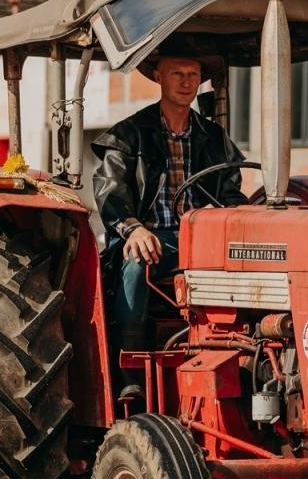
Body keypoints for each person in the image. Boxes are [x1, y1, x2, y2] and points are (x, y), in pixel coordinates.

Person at [92, 55, 247, 402]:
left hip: (202, 237)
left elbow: (232, 190)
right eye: (177, 73)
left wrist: (223, 212)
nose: (186, 81)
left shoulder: (214, 137)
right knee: (137, 259)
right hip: (153, 236)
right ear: (159, 76)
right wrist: (131, 228)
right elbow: (110, 189)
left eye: (193, 73)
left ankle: (245, 356)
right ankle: (129, 372)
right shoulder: (130, 134)